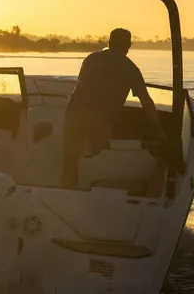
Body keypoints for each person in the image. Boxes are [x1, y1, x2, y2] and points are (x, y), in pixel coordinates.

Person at [60, 28, 180, 188]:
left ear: (109, 43)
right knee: (100, 159)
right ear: (127, 47)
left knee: (69, 161)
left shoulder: (91, 59)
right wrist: (160, 133)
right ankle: (96, 193)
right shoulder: (130, 68)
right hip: (100, 119)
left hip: (73, 112)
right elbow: (147, 102)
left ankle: (68, 192)